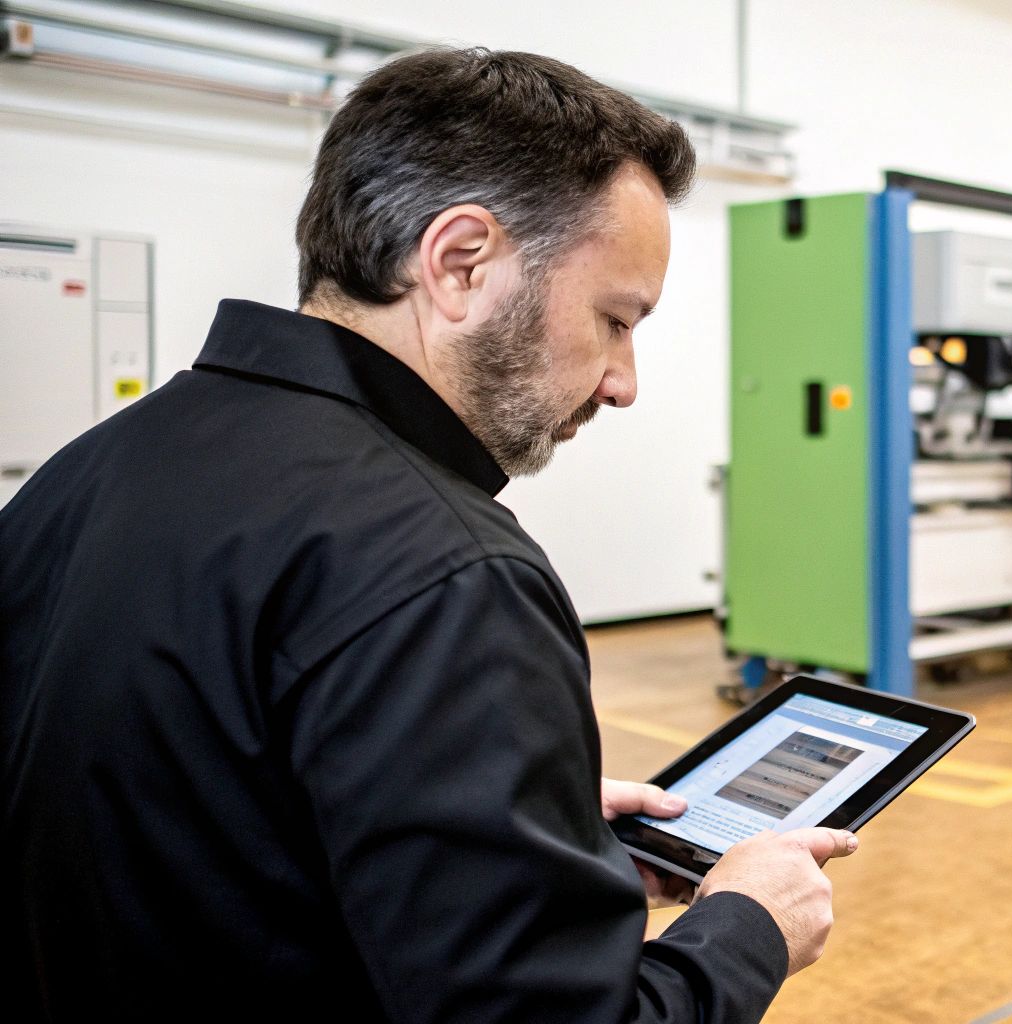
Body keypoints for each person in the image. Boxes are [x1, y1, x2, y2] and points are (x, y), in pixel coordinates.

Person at [1, 47, 853, 1022]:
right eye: (614, 320)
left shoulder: (91, 471)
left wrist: (515, 844)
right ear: (459, 263)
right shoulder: (447, 570)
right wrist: (745, 925)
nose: (623, 381)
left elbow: (203, 832)